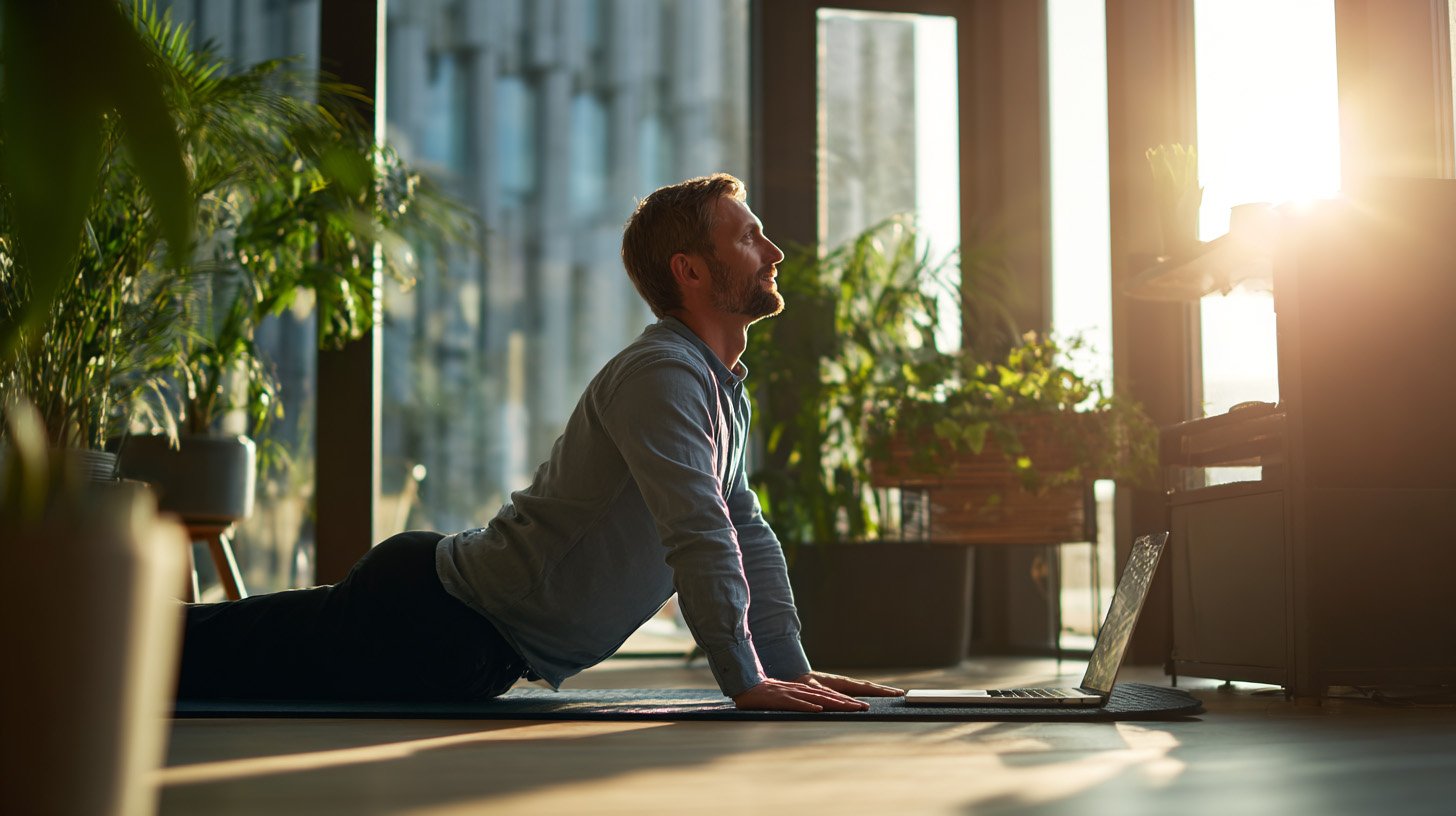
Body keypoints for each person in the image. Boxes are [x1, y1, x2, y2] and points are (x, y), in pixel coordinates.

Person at [178, 173, 904, 712]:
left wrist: (789, 668)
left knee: (203, 649)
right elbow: (699, 533)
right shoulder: (663, 377)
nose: (773, 250)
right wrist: (746, 683)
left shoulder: (716, 385)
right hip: (430, 622)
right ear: (689, 270)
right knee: (182, 658)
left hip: (460, 628)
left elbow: (745, 530)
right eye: (748, 237)